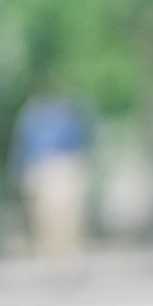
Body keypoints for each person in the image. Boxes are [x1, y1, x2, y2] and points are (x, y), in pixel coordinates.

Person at [11, 90, 94, 256]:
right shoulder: (37, 117)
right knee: (51, 218)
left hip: (58, 167)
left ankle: (63, 255)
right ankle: (56, 255)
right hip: (50, 168)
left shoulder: (35, 117)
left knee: (62, 218)